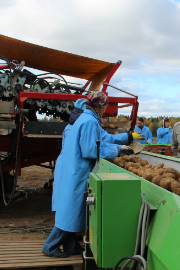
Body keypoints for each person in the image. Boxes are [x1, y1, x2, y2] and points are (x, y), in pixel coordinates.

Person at [43, 92, 132, 258]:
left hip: (72, 168)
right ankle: (50, 246)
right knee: (71, 211)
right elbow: (91, 149)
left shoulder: (85, 119)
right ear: (99, 105)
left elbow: (100, 140)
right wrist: (116, 150)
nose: (106, 109)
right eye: (105, 106)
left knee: (73, 211)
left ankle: (71, 247)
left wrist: (119, 147)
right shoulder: (90, 121)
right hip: (78, 171)